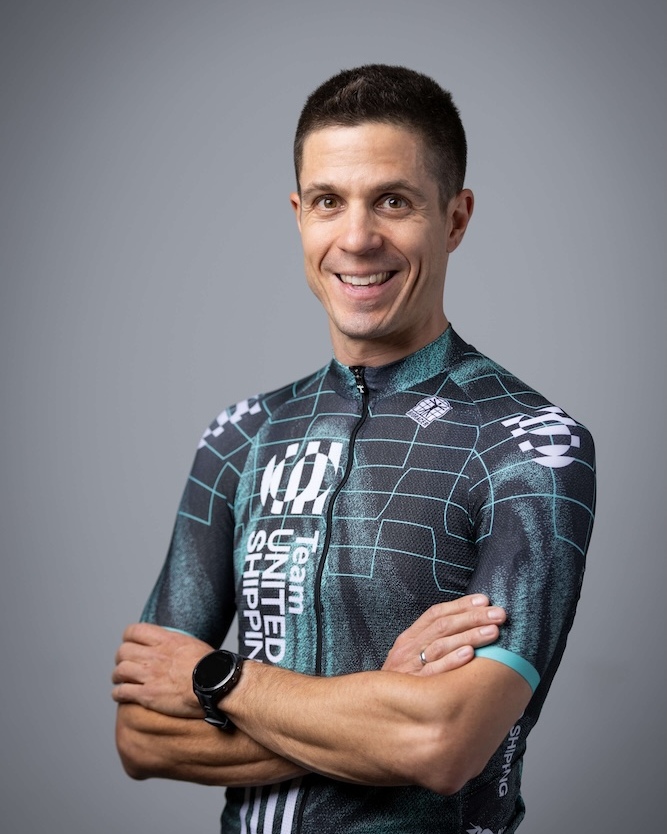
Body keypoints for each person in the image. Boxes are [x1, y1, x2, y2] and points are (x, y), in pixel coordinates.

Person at [112, 64, 596, 833]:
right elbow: (142, 737)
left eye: (393, 201)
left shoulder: (530, 447)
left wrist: (216, 678)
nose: (357, 238)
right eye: (328, 201)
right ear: (298, 214)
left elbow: (441, 743)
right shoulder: (239, 435)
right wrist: (376, 701)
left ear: (456, 218)